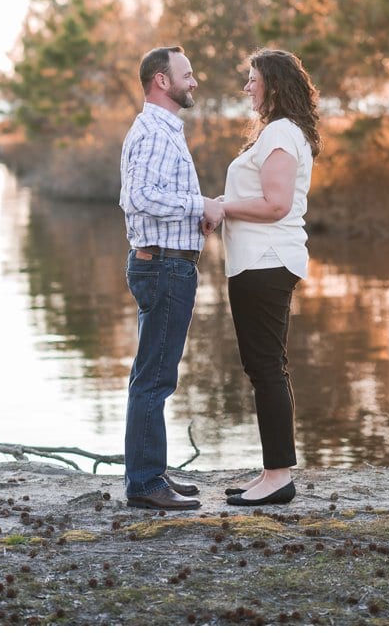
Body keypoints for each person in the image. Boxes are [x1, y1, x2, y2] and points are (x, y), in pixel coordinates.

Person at [119, 45, 224, 511]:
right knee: (154, 378)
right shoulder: (155, 131)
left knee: (156, 374)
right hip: (163, 266)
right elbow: (138, 196)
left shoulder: (161, 130)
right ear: (162, 81)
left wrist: (193, 217)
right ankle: (144, 482)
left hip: (166, 263)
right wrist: (200, 206)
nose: (194, 80)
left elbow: (159, 196)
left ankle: (152, 470)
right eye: (187, 73)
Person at [214, 48, 319, 508]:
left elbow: (275, 204)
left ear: (272, 84)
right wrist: (223, 205)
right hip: (259, 262)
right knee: (263, 367)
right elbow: (263, 196)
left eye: (252, 79)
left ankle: (278, 476)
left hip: (267, 262)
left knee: (267, 368)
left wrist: (220, 207)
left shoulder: (279, 132)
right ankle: (270, 472)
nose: (246, 87)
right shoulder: (279, 132)